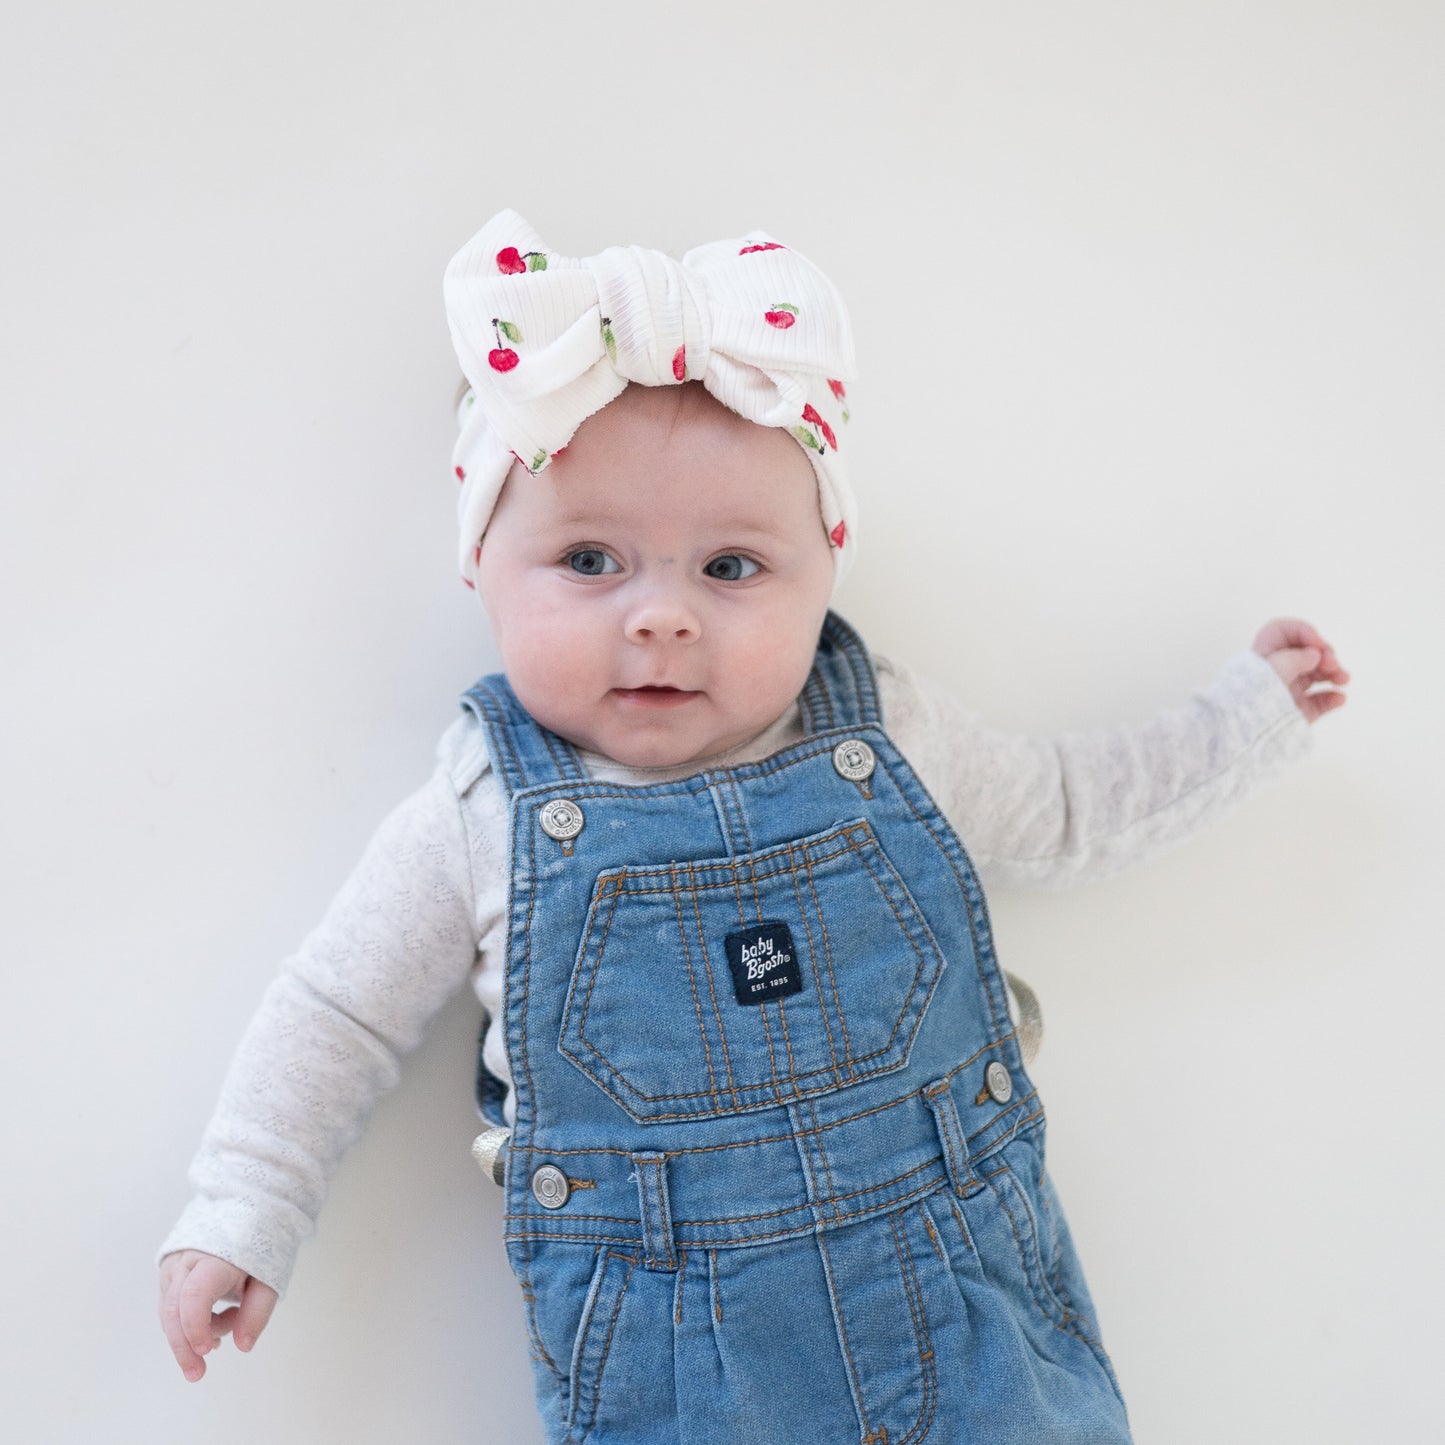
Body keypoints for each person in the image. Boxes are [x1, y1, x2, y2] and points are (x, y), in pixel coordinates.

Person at [157, 209, 1349, 1442]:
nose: (661, 615)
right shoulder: (482, 811)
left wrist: (1244, 717)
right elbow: (336, 1010)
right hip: (681, 1366)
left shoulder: (883, 731)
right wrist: (242, 1204)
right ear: (484, 569)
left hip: (973, 1313)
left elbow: (1063, 806)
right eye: (587, 559)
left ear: (824, 569)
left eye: (730, 567)